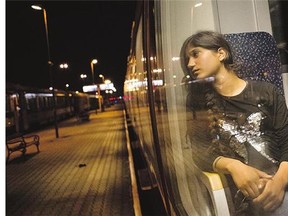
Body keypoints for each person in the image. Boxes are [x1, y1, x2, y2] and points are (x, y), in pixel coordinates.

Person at [181, 31, 288, 215]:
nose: (190, 64)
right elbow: (199, 153)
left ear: (221, 54)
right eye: (188, 59)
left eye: (196, 54)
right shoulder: (197, 102)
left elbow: (286, 141)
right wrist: (234, 166)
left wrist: (280, 182)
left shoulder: (267, 92)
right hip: (246, 197)